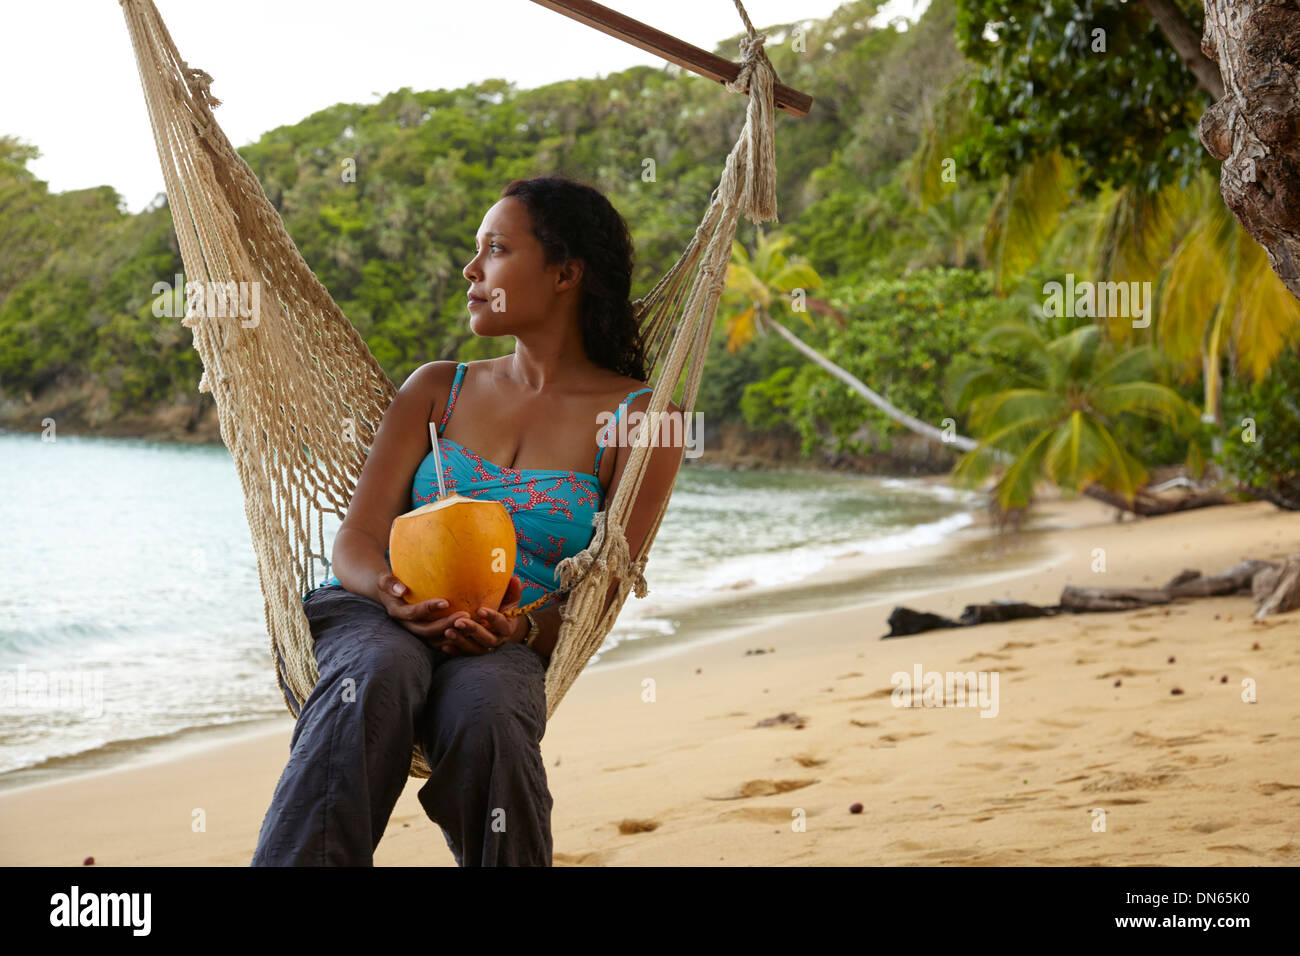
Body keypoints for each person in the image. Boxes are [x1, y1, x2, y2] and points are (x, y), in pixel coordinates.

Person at [251, 175, 685, 866]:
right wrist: (391, 593)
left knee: (489, 717)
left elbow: (598, 591)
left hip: (507, 637)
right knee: (378, 671)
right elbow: (358, 539)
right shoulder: (436, 389)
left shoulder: (641, 421)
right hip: (376, 611)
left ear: (565, 273)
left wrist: (516, 625)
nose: (471, 269)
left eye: (496, 249)